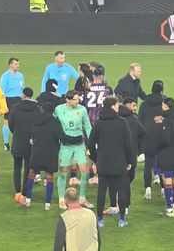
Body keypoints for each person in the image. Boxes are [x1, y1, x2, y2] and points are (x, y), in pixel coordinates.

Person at [87, 96, 135, 227]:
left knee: (101, 190)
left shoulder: (98, 123)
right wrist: (129, 161)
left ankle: (100, 220)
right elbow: (128, 145)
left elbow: (90, 144)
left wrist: (96, 159)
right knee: (121, 190)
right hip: (119, 162)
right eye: (117, 105)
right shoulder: (122, 122)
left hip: (103, 162)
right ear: (112, 106)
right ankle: (122, 219)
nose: (118, 107)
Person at [54, 90, 92, 207]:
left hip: (79, 145)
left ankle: (83, 198)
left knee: (85, 172)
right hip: (65, 146)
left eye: (78, 99)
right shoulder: (59, 109)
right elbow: (53, 124)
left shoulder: (82, 110)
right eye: (75, 99)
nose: (77, 101)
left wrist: (91, 143)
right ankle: (61, 199)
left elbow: (88, 126)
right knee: (63, 172)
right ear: (67, 100)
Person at [24, 99, 63, 210]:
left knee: (32, 173)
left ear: (42, 110)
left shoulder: (36, 120)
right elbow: (61, 137)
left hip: (37, 151)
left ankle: (28, 199)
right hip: (50, 152)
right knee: (49, 176)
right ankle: (47, 204)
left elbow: (32, 134)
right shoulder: (55, 122)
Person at [9, 87, 43, 203]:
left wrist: (17, 133)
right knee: (28, 169)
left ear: (23, 95)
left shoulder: (15, 108)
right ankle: (25, 193)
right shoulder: (37, 109)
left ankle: (17, 192)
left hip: (18, 141)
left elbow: (11, 125)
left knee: (17, 167)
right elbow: (39, 126)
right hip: (31, 143)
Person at [154, 97, 174, 216]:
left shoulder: (168, 121)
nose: (161, 107)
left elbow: (166, 139)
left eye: (163, 105)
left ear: (166, 106)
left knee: (167, 181)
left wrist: (157, 147)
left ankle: (170, 209)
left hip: (167, 155)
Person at [115, 98, 145, 215]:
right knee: (127, 180)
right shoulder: (133, 119)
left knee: (120, 180)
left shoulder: (116, 120)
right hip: (131, 154)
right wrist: (137, 144)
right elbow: (143, 132)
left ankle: (118, 203)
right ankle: (125, 206)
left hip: (118, 154)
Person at [139, 81, 165, 200]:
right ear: (161, 90)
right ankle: (163, 189)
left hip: (148, 136)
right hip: (161, 136)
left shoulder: (144, 104)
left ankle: (148, 190)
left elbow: (139, 121)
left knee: (148, 165)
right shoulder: (164, 103)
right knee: (162, 164)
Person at [0, 57, 25, 150]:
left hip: (19, 100)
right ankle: (6, 143)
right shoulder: (5, 76)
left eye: (18, 64)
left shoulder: (20, 75)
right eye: (16, 64)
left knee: (19, 122)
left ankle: (18, 142)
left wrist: (23, 99)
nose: (18, 65)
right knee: (7, 121)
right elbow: (1, 92)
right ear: (10, 65)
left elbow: (23, 88)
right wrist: (3, 105)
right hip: (9, 100)